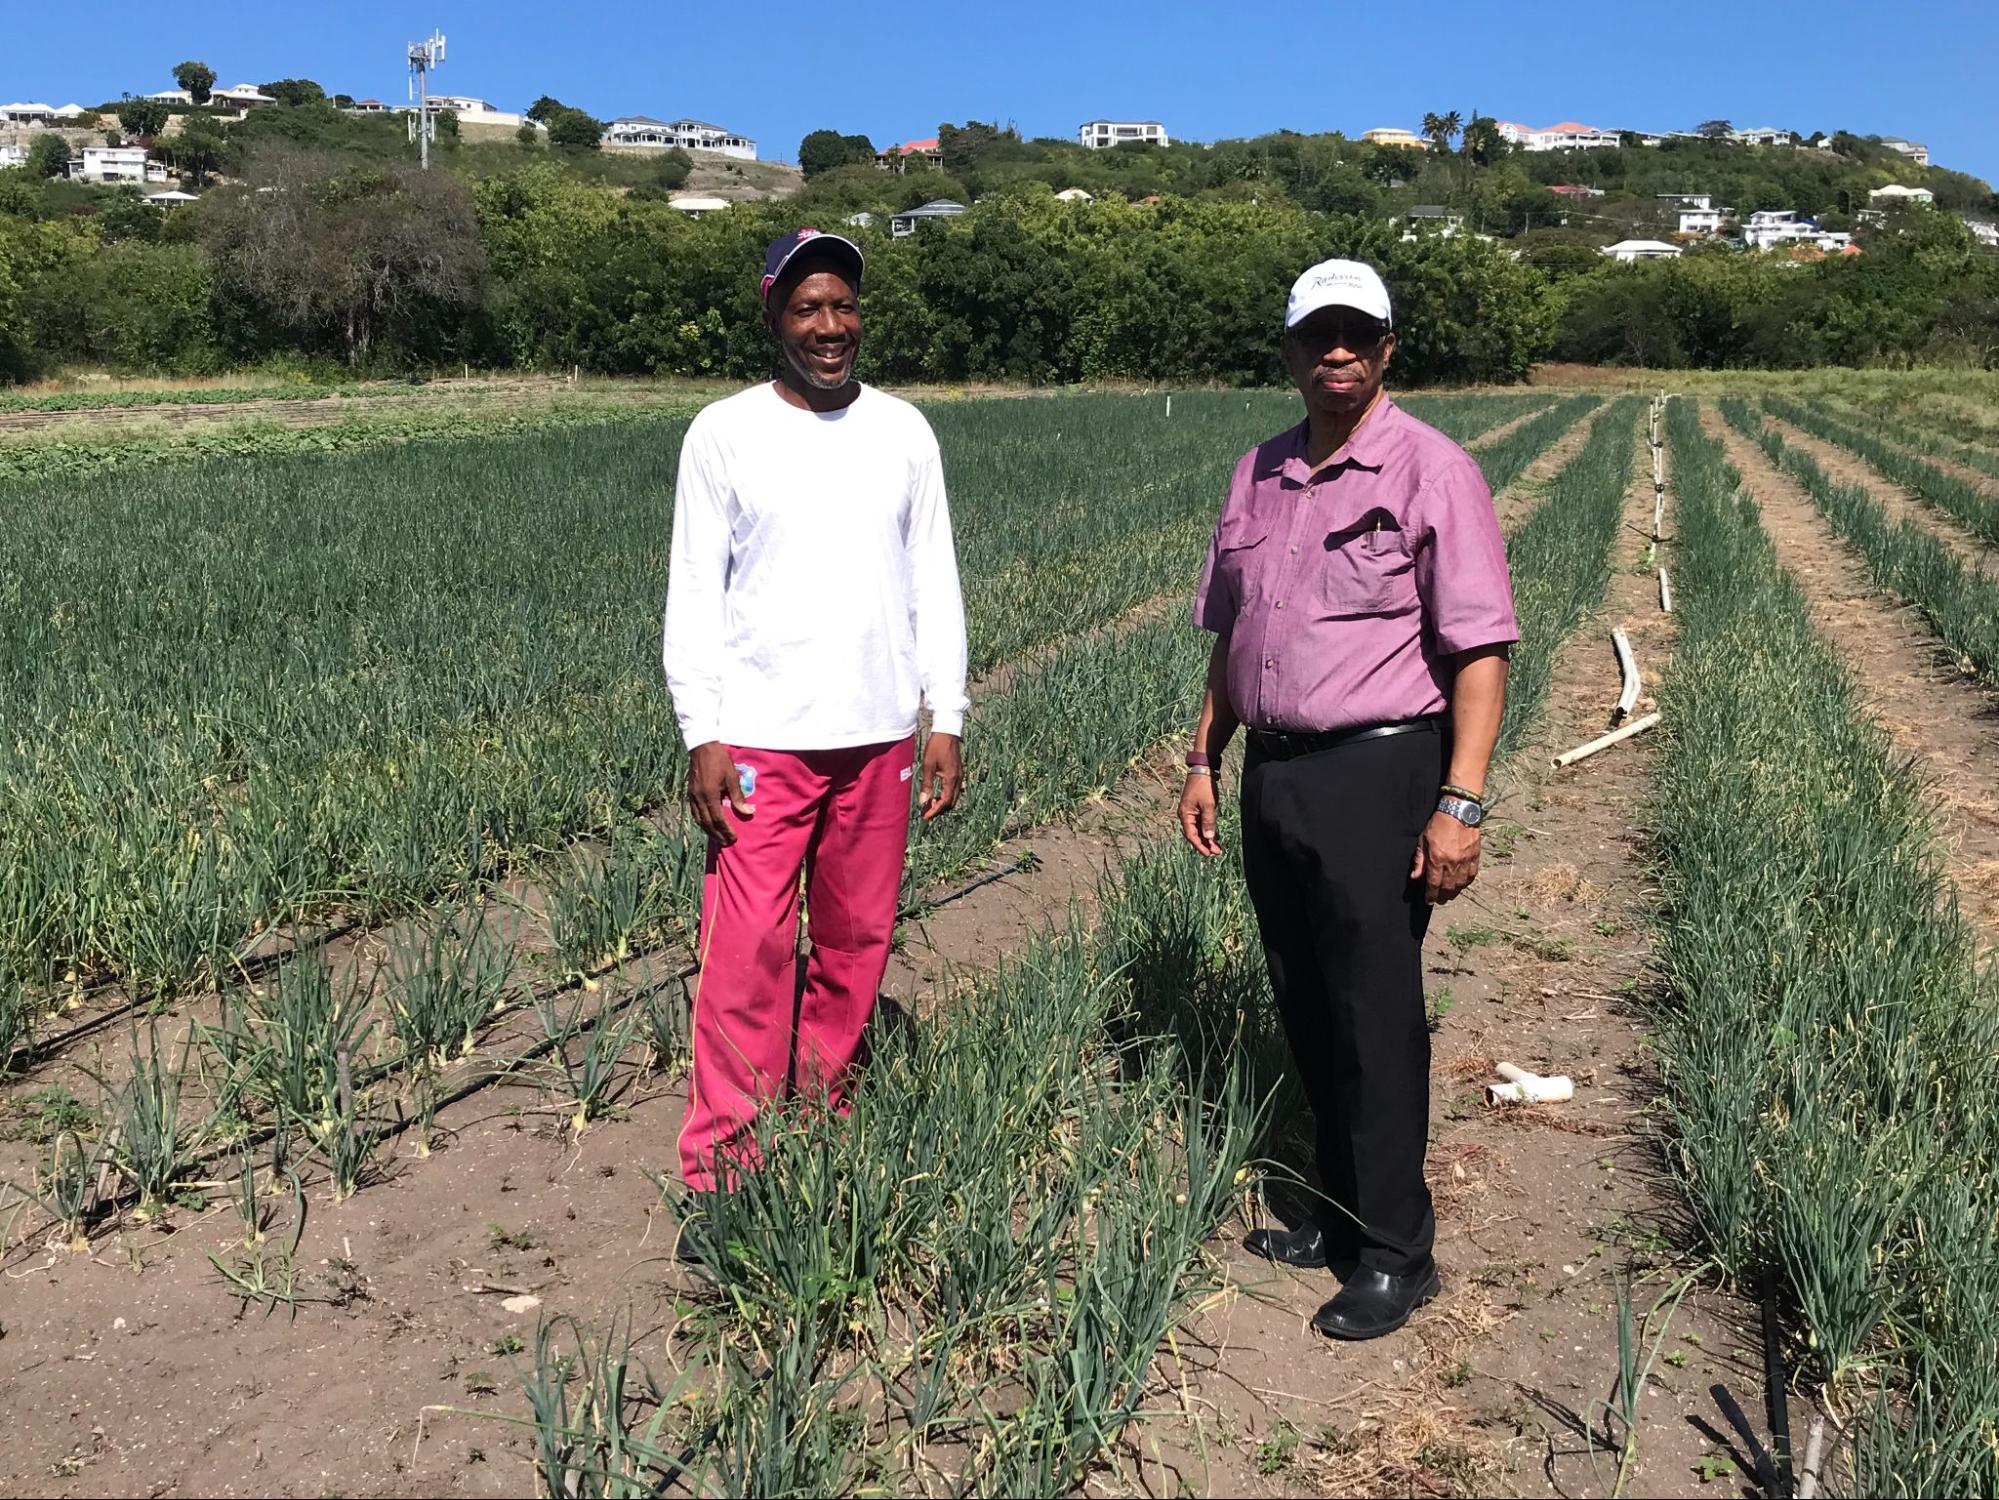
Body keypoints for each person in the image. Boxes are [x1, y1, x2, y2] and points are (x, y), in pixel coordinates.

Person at [1178, 258, 1516, 1340]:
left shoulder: (1432, 471)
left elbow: (1479, 652)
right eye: (1314, 335)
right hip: (1274, 767)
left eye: (1353, 336)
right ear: (1288, 351)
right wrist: (1203, 758)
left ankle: (1393, 1251)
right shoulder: (1259, 471)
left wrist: (1459, 805)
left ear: (1384, 352)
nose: (1333, 352)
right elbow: (1236, 634)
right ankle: (1333, 1210)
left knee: (1372, 1010)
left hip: (1379, 768)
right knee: (1304, 998)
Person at [662, 228, 968, 1198]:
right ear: (771, 317)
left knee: (853, 943)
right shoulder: (724, 433)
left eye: (842, 306)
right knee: (746, 954)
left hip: (877, 738)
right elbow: (691, 595)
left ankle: (821, 1107)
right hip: (758, 741)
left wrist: (946, 714)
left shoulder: (904, 432)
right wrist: (700, 732)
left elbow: (935, 582)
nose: (829, 326)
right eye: (807, 308)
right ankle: (724, 1162)